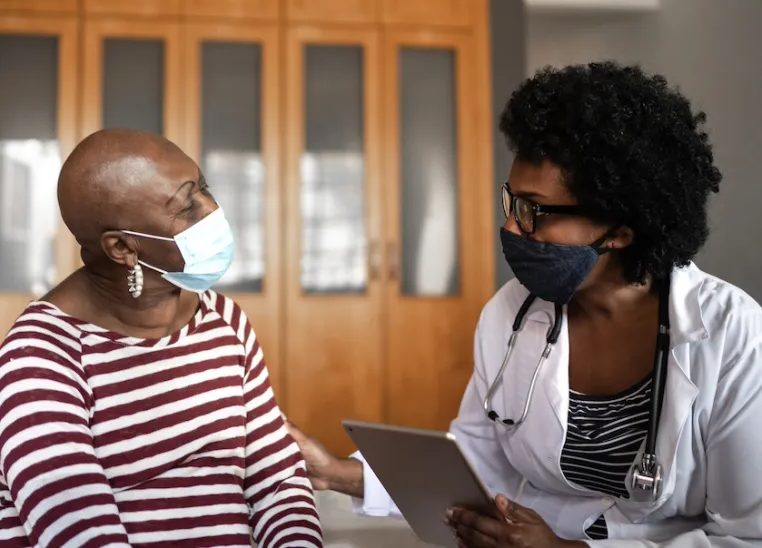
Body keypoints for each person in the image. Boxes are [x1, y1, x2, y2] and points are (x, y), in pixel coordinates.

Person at [287, 61, 762, 547]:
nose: (513, 228)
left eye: (534, 210)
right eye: (512, 202)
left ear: (620, 229)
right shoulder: (510, 313)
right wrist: (336, 472)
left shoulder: (732, 335)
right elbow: (476, 463)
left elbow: (747, 536)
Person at [0, 129, 323, 548]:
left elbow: (278, 482)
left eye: (204, 188)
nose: (213, 210)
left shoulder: (226, 321)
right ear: (124, 247)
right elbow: (79, 530)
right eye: (187, 207)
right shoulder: (40, 354)